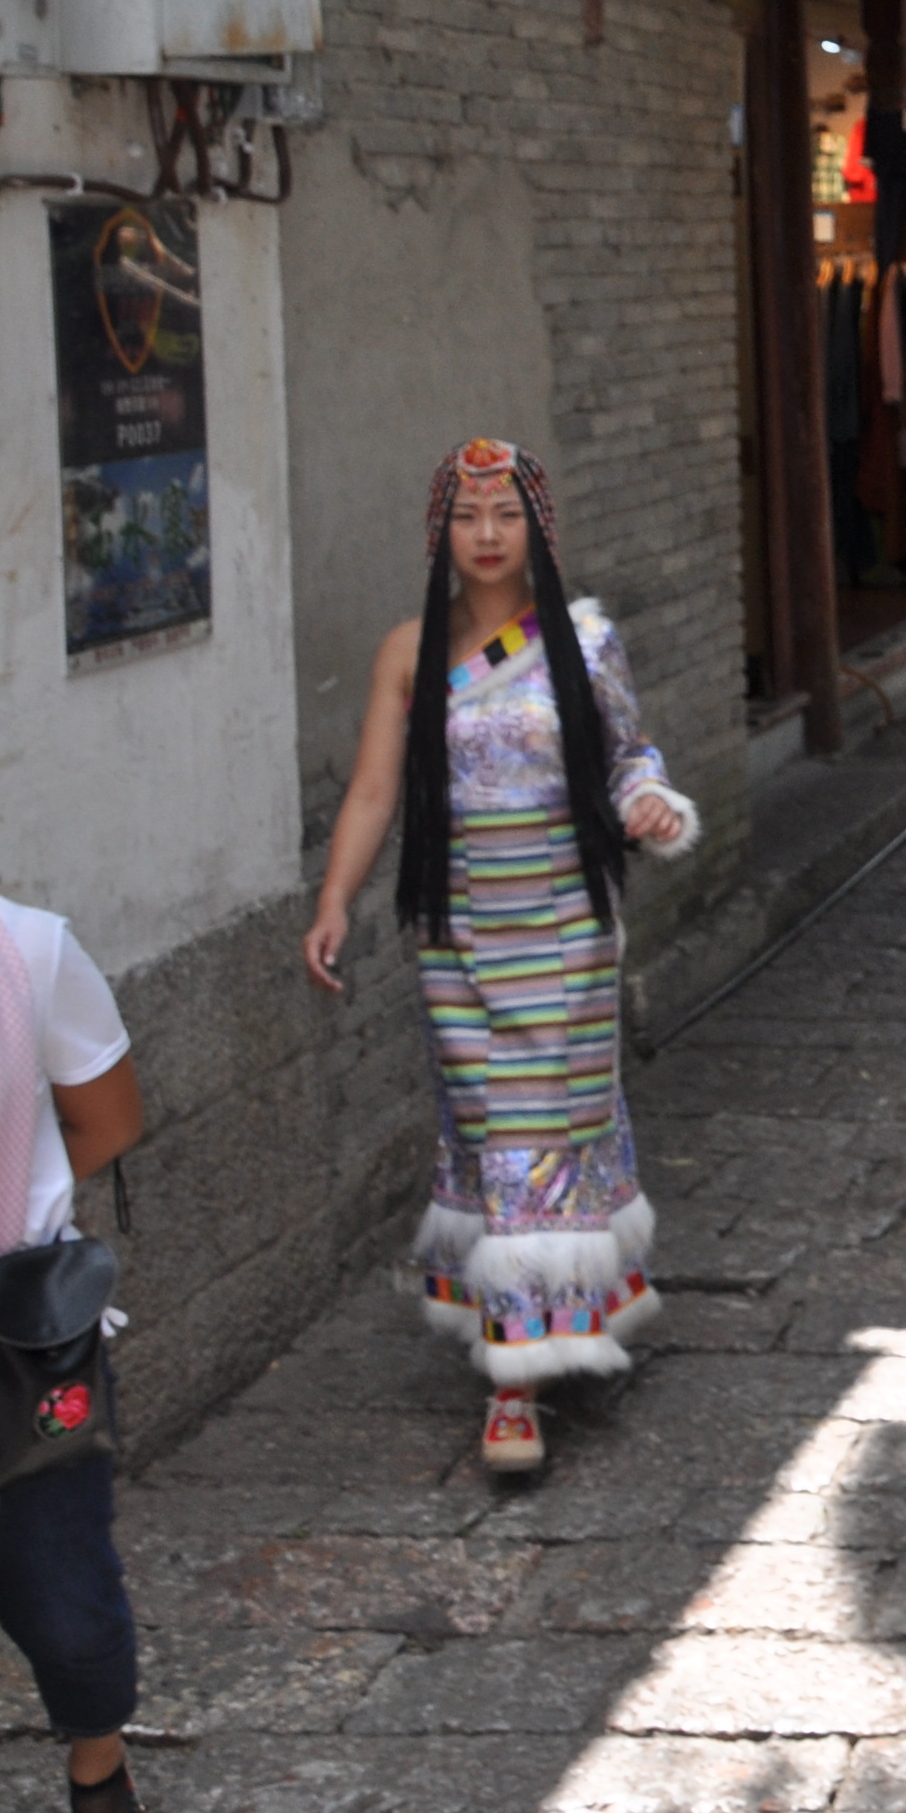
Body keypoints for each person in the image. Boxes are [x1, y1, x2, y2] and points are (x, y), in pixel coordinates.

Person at [302, 440, 692, 1474]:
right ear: (442, 530)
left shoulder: (583, 640)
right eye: (467, 515)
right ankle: (563, 1312)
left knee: (546, 1131)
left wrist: (648, 805)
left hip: (564, 925)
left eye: (505, 514)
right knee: (493, 1137)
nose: (485, 534)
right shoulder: (406, 652)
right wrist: (335, 897)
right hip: (456, 932)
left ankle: (512, 1384)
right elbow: (378, 792)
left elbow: (626, 756)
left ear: (538, 528)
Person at [0, 872, 158, 1813]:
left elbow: (107, 1118)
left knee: (61, 1592)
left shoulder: (21, 947)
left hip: (7, 1343)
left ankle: (100, 1767)